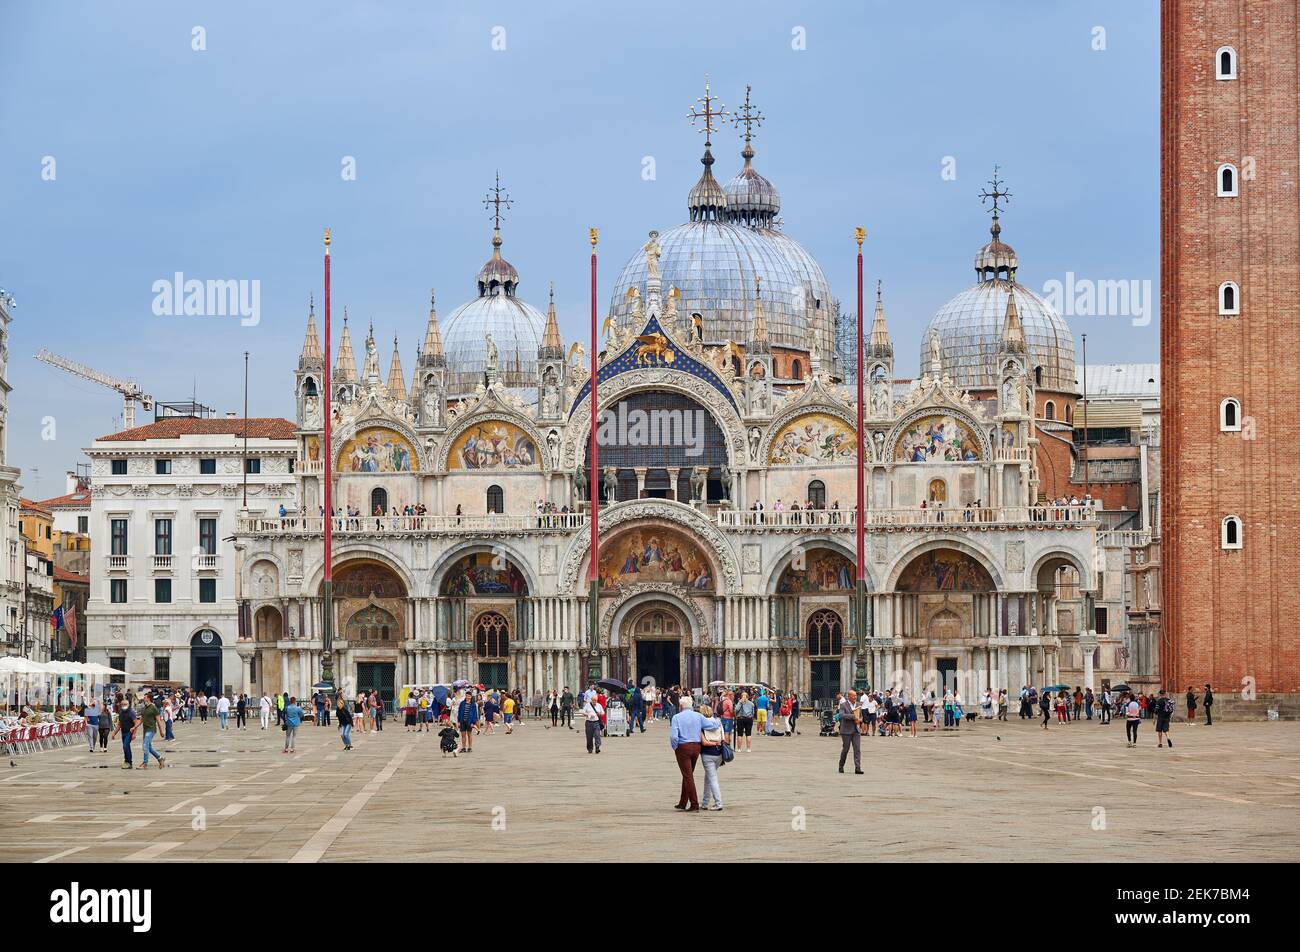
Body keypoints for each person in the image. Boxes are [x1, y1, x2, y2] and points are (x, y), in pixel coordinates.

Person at [669, 696, 704, 811]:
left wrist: (675, 747)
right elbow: (711, 724)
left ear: (681, 706)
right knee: (687, 774)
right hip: (696, 748)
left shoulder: (676, 717)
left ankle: (694, 804)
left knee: (688, 776)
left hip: (683, 747)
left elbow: (674, 736)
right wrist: (717, 722)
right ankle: (683, 802)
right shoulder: (698, 716)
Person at [698, 703, 725, 811]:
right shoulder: (718, 722)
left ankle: (718, 803)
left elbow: (704, 742)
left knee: (712, 779)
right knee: (708, 778)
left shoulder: (701, 725)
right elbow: (723, 738)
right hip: (719, 754)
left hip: (708, 753)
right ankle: (705, 802)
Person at [837, 690, 862, 774]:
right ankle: (841, 765)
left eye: (855, 696)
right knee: (846, 749)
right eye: (853, 696)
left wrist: (860, 720)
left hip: (856, 730)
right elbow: (841, 715)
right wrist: (853, 716)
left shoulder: (858, 704)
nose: (855, 697)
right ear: (849, 696)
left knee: (857, 749)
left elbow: (860, 716)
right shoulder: (843, 705)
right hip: (846, 730)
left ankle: (857, 768)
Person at [138, 694, 166, 770]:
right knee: (149, 747)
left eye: (145, 697)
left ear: (149, 699)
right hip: (145, 730)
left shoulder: (154, 708)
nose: (144, 699)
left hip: (151, 730)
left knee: (145, 745)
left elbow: (158, 720)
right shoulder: (143, 708)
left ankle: (145, 763)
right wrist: (135, 727)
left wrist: (161, 731)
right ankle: (160, 758)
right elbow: (141, 720)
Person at [110, 696, 137, 769]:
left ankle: (129, 762)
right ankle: (126, 761)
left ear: (128, 705)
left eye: (126, 704)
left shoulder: (131, 712)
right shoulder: (121, 713)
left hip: (129, 732)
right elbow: (119, 724)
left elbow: (136, 723)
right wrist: (114, 733)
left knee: (126, 745)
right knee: (125, 747)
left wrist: (134, 734)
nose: (124, 706)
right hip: (123, 732)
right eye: (123, 704)